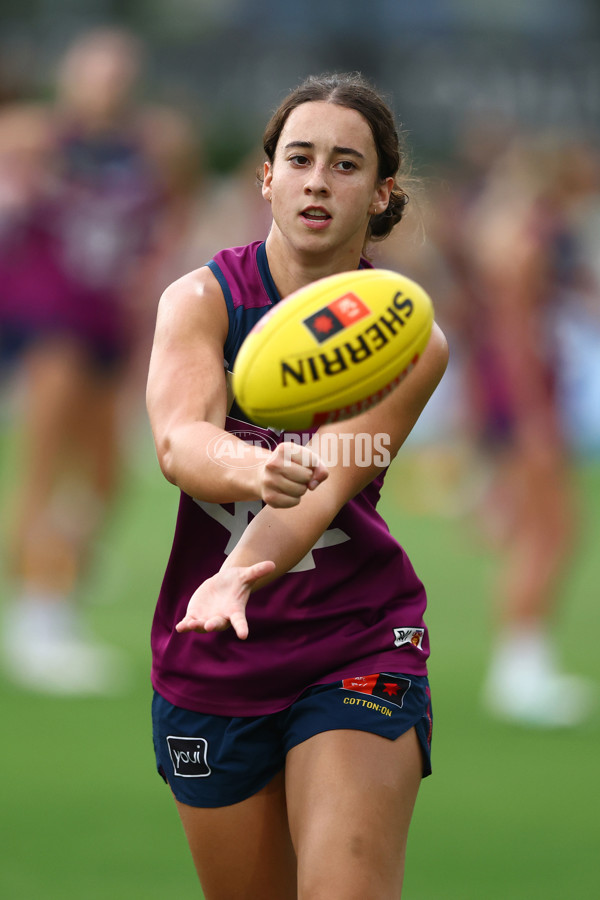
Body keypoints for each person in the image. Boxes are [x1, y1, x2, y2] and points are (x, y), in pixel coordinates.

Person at [146, 73, 448, 899]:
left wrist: (241, 569)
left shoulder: (410, 339)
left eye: (346, 165)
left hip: (357, 637)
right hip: (214, 655)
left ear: (383, 190)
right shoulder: (201, 300)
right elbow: (180, 441)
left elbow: (324, 492)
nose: (319, 180)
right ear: (267, 176)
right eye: (300, 158)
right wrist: (255, 465)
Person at [0, 27, 197, 694]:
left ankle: (47, 581)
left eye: (117, 72)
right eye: (94, 71)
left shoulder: (151, 145)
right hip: (49, 317)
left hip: (110, 321)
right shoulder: (36, 137)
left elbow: (174, 206)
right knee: (47, 467)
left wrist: (152, 270)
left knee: (108, 477)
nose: (105, 84)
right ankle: (38, 619)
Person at [449, 134, 598, 727]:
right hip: (526, 398)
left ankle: (525, 664)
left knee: (544, 528)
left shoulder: (523, 231)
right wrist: (536, 417)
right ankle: (519, 670)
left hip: (522, 396)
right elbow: (513, 332)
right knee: (550, 530)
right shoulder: (527, 238)